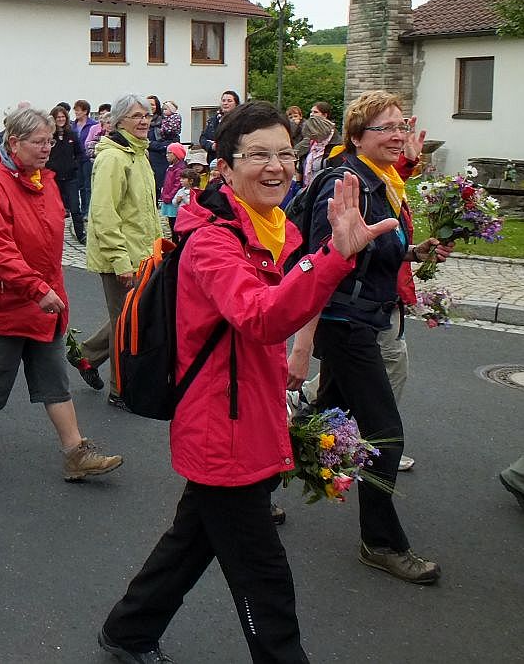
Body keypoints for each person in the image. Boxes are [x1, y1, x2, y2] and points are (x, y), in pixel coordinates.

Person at [99, 100, 397, 664]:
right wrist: (331, 258)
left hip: (251, 416)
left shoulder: (273, 226)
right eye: (257, 154)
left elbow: (280, 315)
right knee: (263, 575)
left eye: (285, 153)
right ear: (225, 167)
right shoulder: (213, 240)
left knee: (192, 541)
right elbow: (261, 317)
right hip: (221, 430)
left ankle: (128, 630)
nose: (276, 166)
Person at [287, 91, 449, 586]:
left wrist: (414, 250)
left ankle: (251, 479)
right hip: (343, 324)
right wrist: (301, 344)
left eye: (401, 126)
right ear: (357, 136)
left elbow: (371, 250)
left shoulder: (384, 182)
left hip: (366, 318)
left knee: (320, 415)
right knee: (385, 434)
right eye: (385, 128)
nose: (398, 135)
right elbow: (320, 263)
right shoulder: (346, 183)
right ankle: (380, 543)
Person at [0, 107, 123, 480]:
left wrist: (51, 291)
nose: (48, 148)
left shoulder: (43, 180)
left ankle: (75, 451)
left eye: (50, 140)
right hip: (4, 302)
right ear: (13, 142)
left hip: (43, 300)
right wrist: (37, 288)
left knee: (54, 379)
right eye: (39, 141)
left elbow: (50, 246)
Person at [81, 95, 164, 397]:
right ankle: (121, 390)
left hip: (142, 254)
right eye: (136, 116)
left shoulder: (138, 153)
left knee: (130, 316)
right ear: (118, 122)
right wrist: (120, 261)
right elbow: (104, 213)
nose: (143, 121)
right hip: (122, 257)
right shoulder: (113, 158)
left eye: (147, 115)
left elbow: (144, 211)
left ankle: (87, 356)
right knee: (125, 324)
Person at [45, 105, 84, 243]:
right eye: (58, 117)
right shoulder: (49, 136)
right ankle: (53, 236)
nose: (60, 119)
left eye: (63, 117)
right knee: (54, 209)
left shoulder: (71, 134)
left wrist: (74, 165)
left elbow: (80, 153)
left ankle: (80, 234)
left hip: (70, 177)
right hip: (54, 178)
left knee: (75, 207)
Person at [71, 100, 97, 232]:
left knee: (88, 185)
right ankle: (82, 209)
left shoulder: (92, 125)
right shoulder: (73, 125)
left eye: (78, 110)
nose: (76, 112)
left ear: (85, 111)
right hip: (77, 158)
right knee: (80, 185)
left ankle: (88, 210)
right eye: (75, 110)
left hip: (88, 158)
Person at [197, 90, 240, 160]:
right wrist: (211, 146)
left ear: (236, 104)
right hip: (214, 159)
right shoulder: (213, 120)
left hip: (232, 159)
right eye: (223, 101)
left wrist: (220, 145)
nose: (225, 103)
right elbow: (203, 138)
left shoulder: (240, 120)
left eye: (229, 101)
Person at [159, 143, 187, 233]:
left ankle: (176, 242)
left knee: (174, 222)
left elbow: (177, 185)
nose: (167, 155)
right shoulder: (171, 167)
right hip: (168, 198)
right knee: (170, 222)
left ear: (176, 154)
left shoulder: (179, 169)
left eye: (169, 153)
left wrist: (168, 197)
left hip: (173, 200)